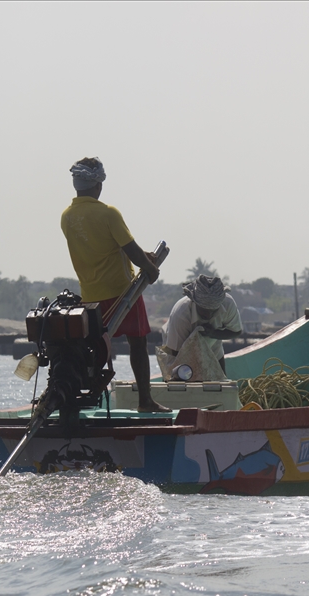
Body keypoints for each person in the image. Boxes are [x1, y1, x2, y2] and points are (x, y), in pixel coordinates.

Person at [60, 157, 168, 413]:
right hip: (122, 293)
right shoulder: (108, 212)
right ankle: (145, 401)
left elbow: (109, 246)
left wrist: (145, 257)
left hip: (90, 296)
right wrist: (151, 269)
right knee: (138, 343)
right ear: (98, 185)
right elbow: (129, 250)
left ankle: (93, 401)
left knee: (98, 349)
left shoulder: (67, 217)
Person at [163, 275, 242, 375]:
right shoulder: (181, 314)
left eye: (212, 311)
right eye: (204, 311)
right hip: (177, 348)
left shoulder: (228, 304)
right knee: (175, 378)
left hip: (213, 347)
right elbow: (176, 354)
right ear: (195, 302)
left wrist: (214, 333)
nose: (208, 315)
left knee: (221, 384)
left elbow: (236, 332)